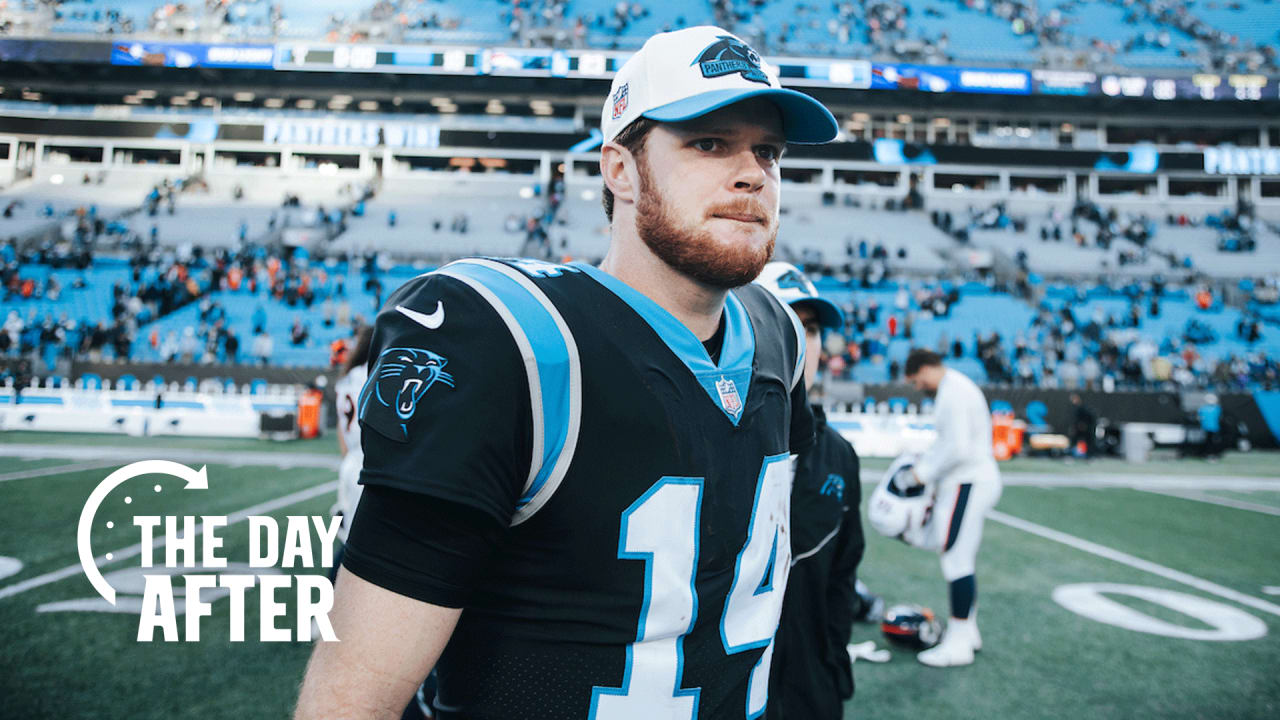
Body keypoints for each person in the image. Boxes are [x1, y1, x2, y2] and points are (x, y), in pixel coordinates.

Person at [294, 24, 838, 720]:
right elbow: (353, 698)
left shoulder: (779, 335)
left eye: (767, 150)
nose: (753, 173)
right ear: (619, 168)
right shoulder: (510, 340)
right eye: (708, 143)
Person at [756, 262, 864, 720]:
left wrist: (832, 671)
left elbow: (842, 579)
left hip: (810, 695)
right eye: (783, 322)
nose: (802, 342)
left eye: (812, 329)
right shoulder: (695, 438)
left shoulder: (839, 455)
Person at [903, 349, 1002, 668]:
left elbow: (956, 448)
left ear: (927, 369)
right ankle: (968, 630)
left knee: (955, 558)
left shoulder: (952, 392)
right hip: (973, 478)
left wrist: (922, 473)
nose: (919, 387)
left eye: (918, 380)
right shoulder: (956, 387)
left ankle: (959, 641)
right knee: (962, 558)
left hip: (968, 480)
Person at [330, 326, 373, 573]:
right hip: (365, 462)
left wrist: (348, 457)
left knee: (351, 538)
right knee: (358, 544)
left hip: (351, 461)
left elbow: (341, 428)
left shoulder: (346, 378)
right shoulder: (372, 373)